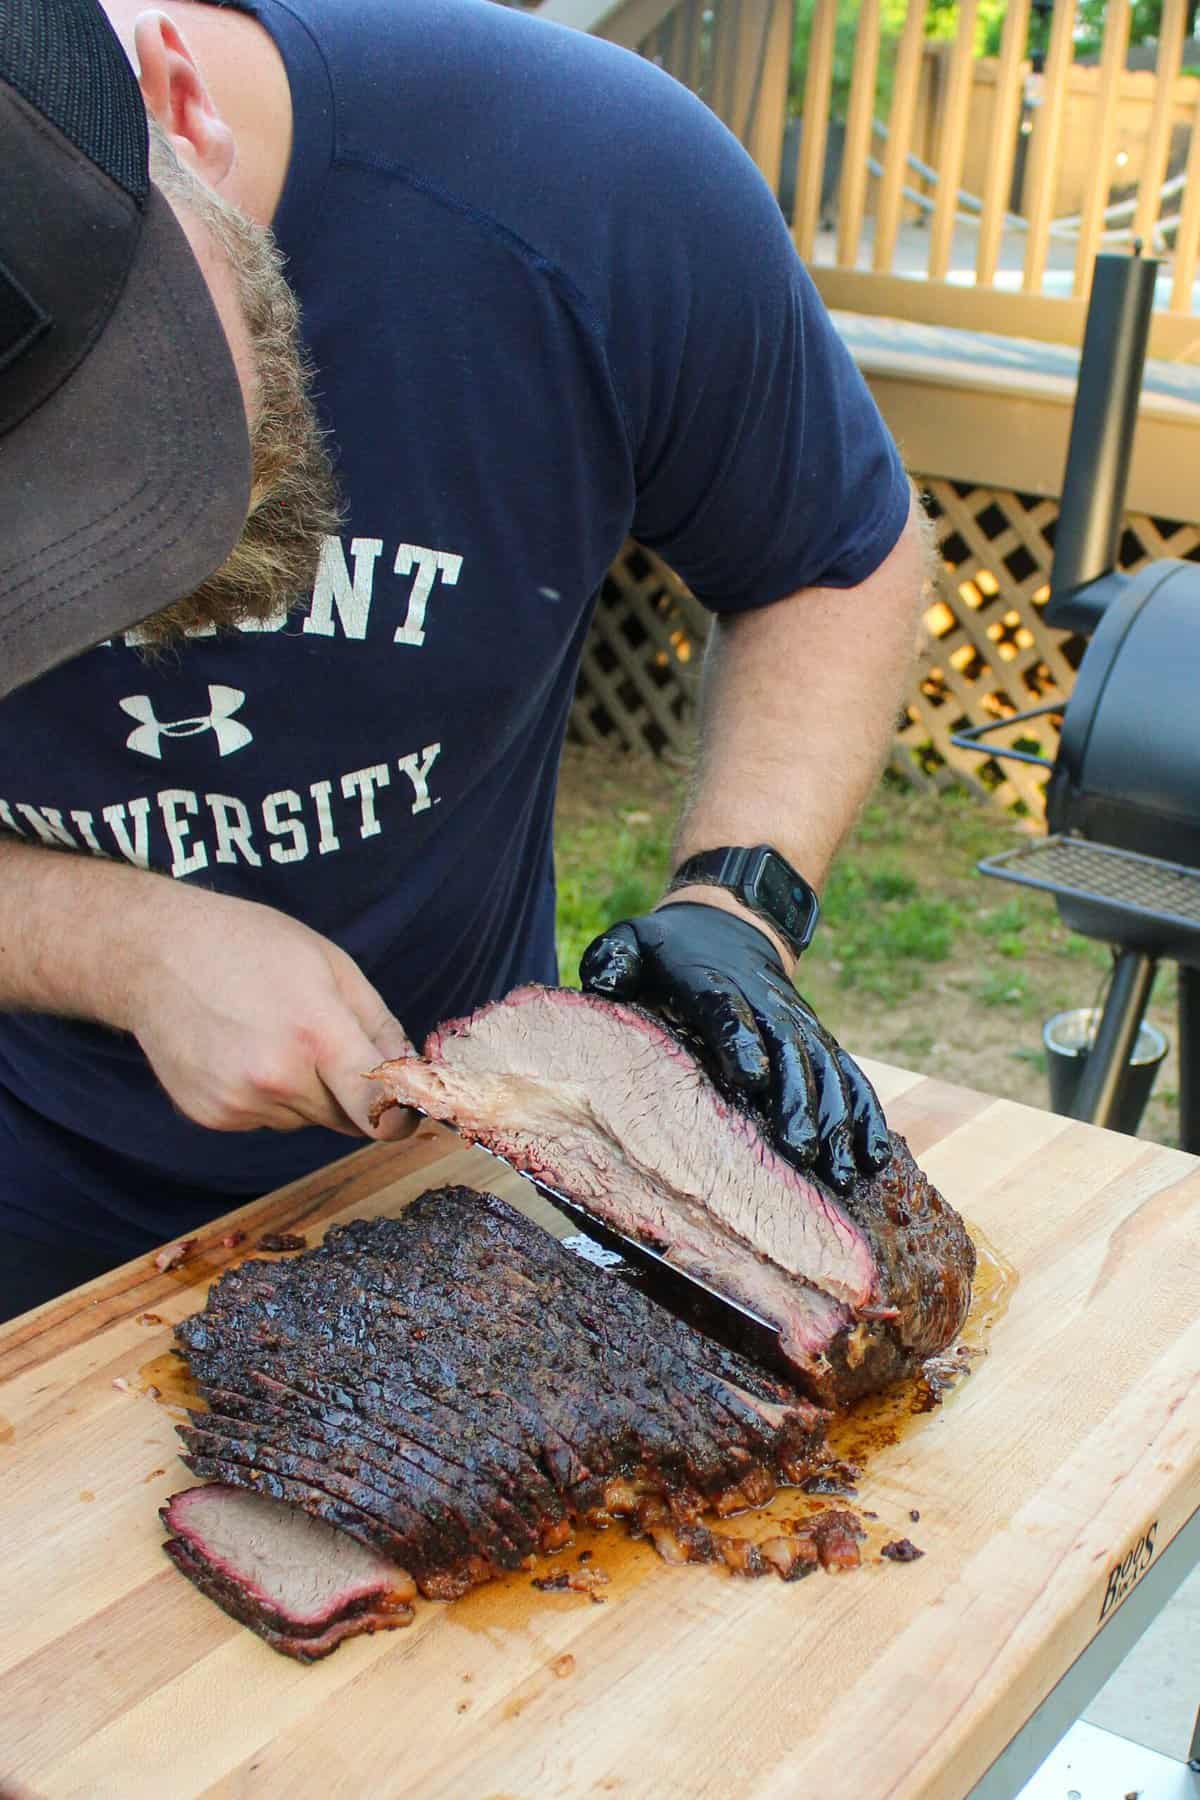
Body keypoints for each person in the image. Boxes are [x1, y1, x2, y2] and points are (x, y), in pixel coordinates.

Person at [0, 0, 926, 1321]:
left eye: (130, 419)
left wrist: (734, 908)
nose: (103, 552)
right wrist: (116, 942)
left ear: (175, 111)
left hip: (470, 1190)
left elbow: (828, 556)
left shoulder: (577, 182)